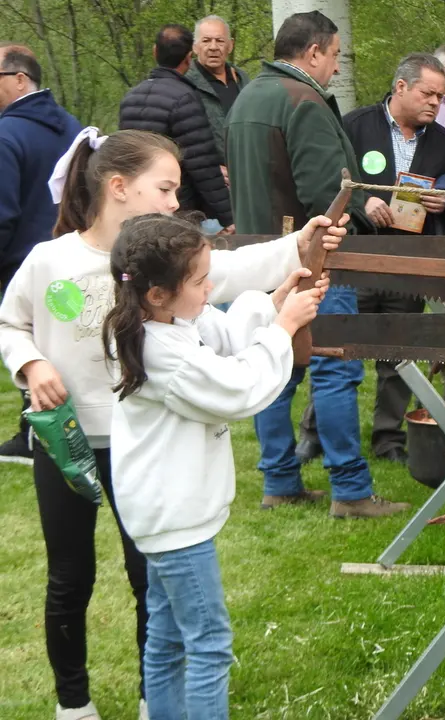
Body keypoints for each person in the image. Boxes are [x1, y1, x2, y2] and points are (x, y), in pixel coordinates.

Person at [0, 127, 345, 720]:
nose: (172, 199)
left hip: (145, 475)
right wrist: (30, 364)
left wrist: (290, 263)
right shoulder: (59, 264)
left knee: (155, 607)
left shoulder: (163, 291)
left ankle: (150, 702)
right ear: (118, 187)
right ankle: (73, 702)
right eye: (165, 188)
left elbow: (220, 288)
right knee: (80, 579)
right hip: (82, 447)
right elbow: (232, 377)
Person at [103, 214, 334, 719]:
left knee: (166, 643)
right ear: (159, 293)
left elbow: (225, 338)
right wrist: (286, 326)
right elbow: (237, 387)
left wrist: (274, 303)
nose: (211, 288)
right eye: (201, 281)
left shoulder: (167, 320)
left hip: (162, 516)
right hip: (177, 523)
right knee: (208, 644)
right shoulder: (163, 351)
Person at [227, 10, 409, 517]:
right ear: (313, 53)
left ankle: (280, 481)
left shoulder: (248, 96)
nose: (334, 68)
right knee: (334, 368)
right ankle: (350, 491)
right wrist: (361, 216)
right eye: (333, 57)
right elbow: (328, 192)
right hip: (310, 258)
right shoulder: (302, 100)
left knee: (275, 367)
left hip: (260, 255)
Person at [343, 52, 445, 463]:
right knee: (339, 350)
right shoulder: (356, 127)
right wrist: (364, 200)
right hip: (355, 254)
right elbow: (330, 179)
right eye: (427, 93)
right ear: (401, 87)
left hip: (407, 260)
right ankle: (317, 432)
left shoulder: (440, 139)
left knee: (396, 351)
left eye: (439, 95)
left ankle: (387, 439)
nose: (435, 102)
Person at [0, 42, 81, 465]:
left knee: (27, 347)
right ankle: (44, 430)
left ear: (18, 79)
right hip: (72, 256)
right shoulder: (72, 125)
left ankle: (37, 435)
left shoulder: (5, 133)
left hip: (20, 263)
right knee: (64, 347)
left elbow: (1, 211)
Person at [119, 24, 234, 232]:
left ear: (155, 51)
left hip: (137, 205)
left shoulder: (130, 98)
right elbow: (202, 164)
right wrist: (228, 216)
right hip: (177, 207)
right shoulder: (185, 98)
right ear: (189, 57)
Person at [185, 16, 249, 173]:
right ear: (195, 46)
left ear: (230, 45)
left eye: (220, 41)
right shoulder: (185, 84)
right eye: (206, 41)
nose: (213, 47)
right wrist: (210, 169)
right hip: (209, 181)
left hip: (248, 172)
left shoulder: (243, 79)